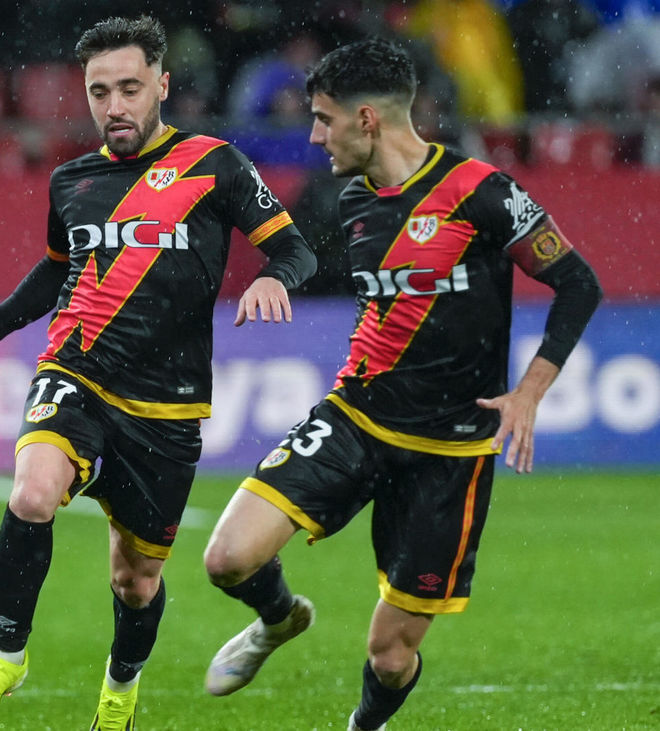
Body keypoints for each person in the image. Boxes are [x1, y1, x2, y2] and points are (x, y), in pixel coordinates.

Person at [201, 38, 602, 731]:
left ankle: (366, 725)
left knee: (390, 655)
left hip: (448, 453)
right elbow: (307, 262)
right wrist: (273, 273)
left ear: (366, 120)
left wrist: (530, 391)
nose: (313, 135)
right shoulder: (350, 202)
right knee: (227, 558)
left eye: (323, 119)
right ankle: (278, 617)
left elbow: (577, 283)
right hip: (357, 418)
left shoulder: (481, 192)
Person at [0, 16, 316, 730]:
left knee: (134, 580)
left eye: (130, 88)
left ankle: (118, 693)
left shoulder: (215, 163)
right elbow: (55, 272)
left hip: (166, 406)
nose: (114, 105)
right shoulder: (71, 181)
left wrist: (276, 278)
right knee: (32, 491)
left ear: (162, 86)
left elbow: (296, 249)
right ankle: (8, 654)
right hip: (75, 368)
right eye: (99, 91)